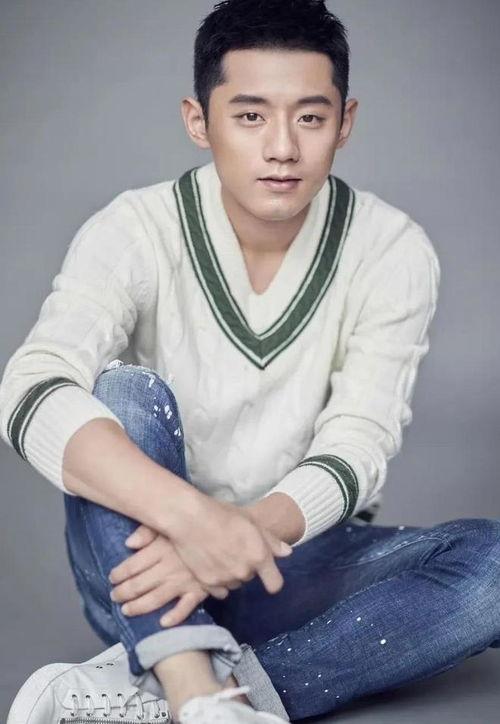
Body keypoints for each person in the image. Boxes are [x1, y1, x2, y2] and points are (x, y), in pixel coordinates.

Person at [2, 0, 499, 722]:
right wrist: (196, 524)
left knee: (493, 568)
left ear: (345, 122)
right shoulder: (134, 229)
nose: (282, 148)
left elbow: (359, 441)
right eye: (250, 116)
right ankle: (188, 679)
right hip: (142, 568)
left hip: (289, 567)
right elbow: (32, 386)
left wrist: (248, 533)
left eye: (310, 117)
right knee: (124, 393)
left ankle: (181, 695)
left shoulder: (392, 249)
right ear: (198, 121)